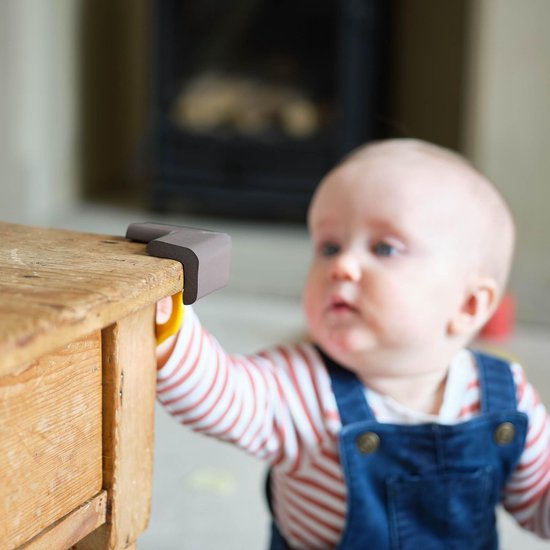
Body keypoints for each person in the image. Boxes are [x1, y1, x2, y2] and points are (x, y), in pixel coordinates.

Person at [156, 138, 550, 549]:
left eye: (384, 248)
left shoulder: (506, 399)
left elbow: (538, 498)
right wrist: (171, 328)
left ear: (469, 304)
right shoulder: (300, 384)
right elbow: (220, 394)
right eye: (329, 247)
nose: (341, 266)